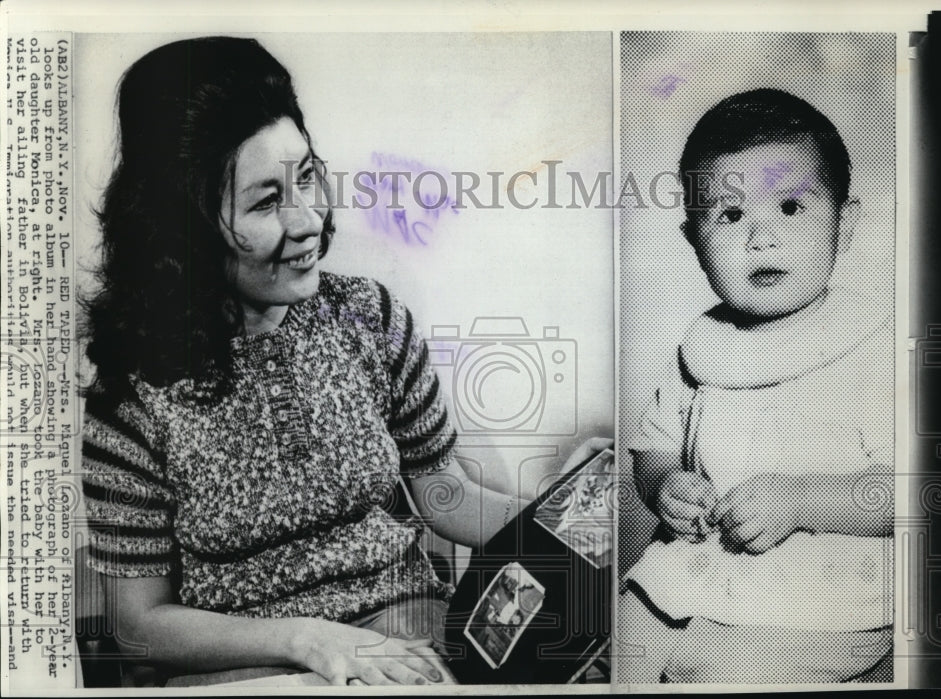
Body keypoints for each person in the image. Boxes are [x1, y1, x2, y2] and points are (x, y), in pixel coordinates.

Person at [80, 36, 607, 687]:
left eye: (307, 176)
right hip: (249, 666)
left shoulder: (370, 316)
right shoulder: (128, 399)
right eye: (267, 200)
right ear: (182, 227)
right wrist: (311, 641)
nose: (309, 220)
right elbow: (138, 625)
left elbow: (446, 497)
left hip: (407, 632)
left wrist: (562, 520)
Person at [618, 88, 894, 683]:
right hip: (691, 573)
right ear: (694, 241)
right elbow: (654, 448)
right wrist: (667, 483)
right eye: (731, 214)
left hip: (819, 598)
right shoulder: (704, 347)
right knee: (619, 634)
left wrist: (802, 501)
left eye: (792, 209)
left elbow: (917, 493)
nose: (761, 238)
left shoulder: (869, 343)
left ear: (844, 228)